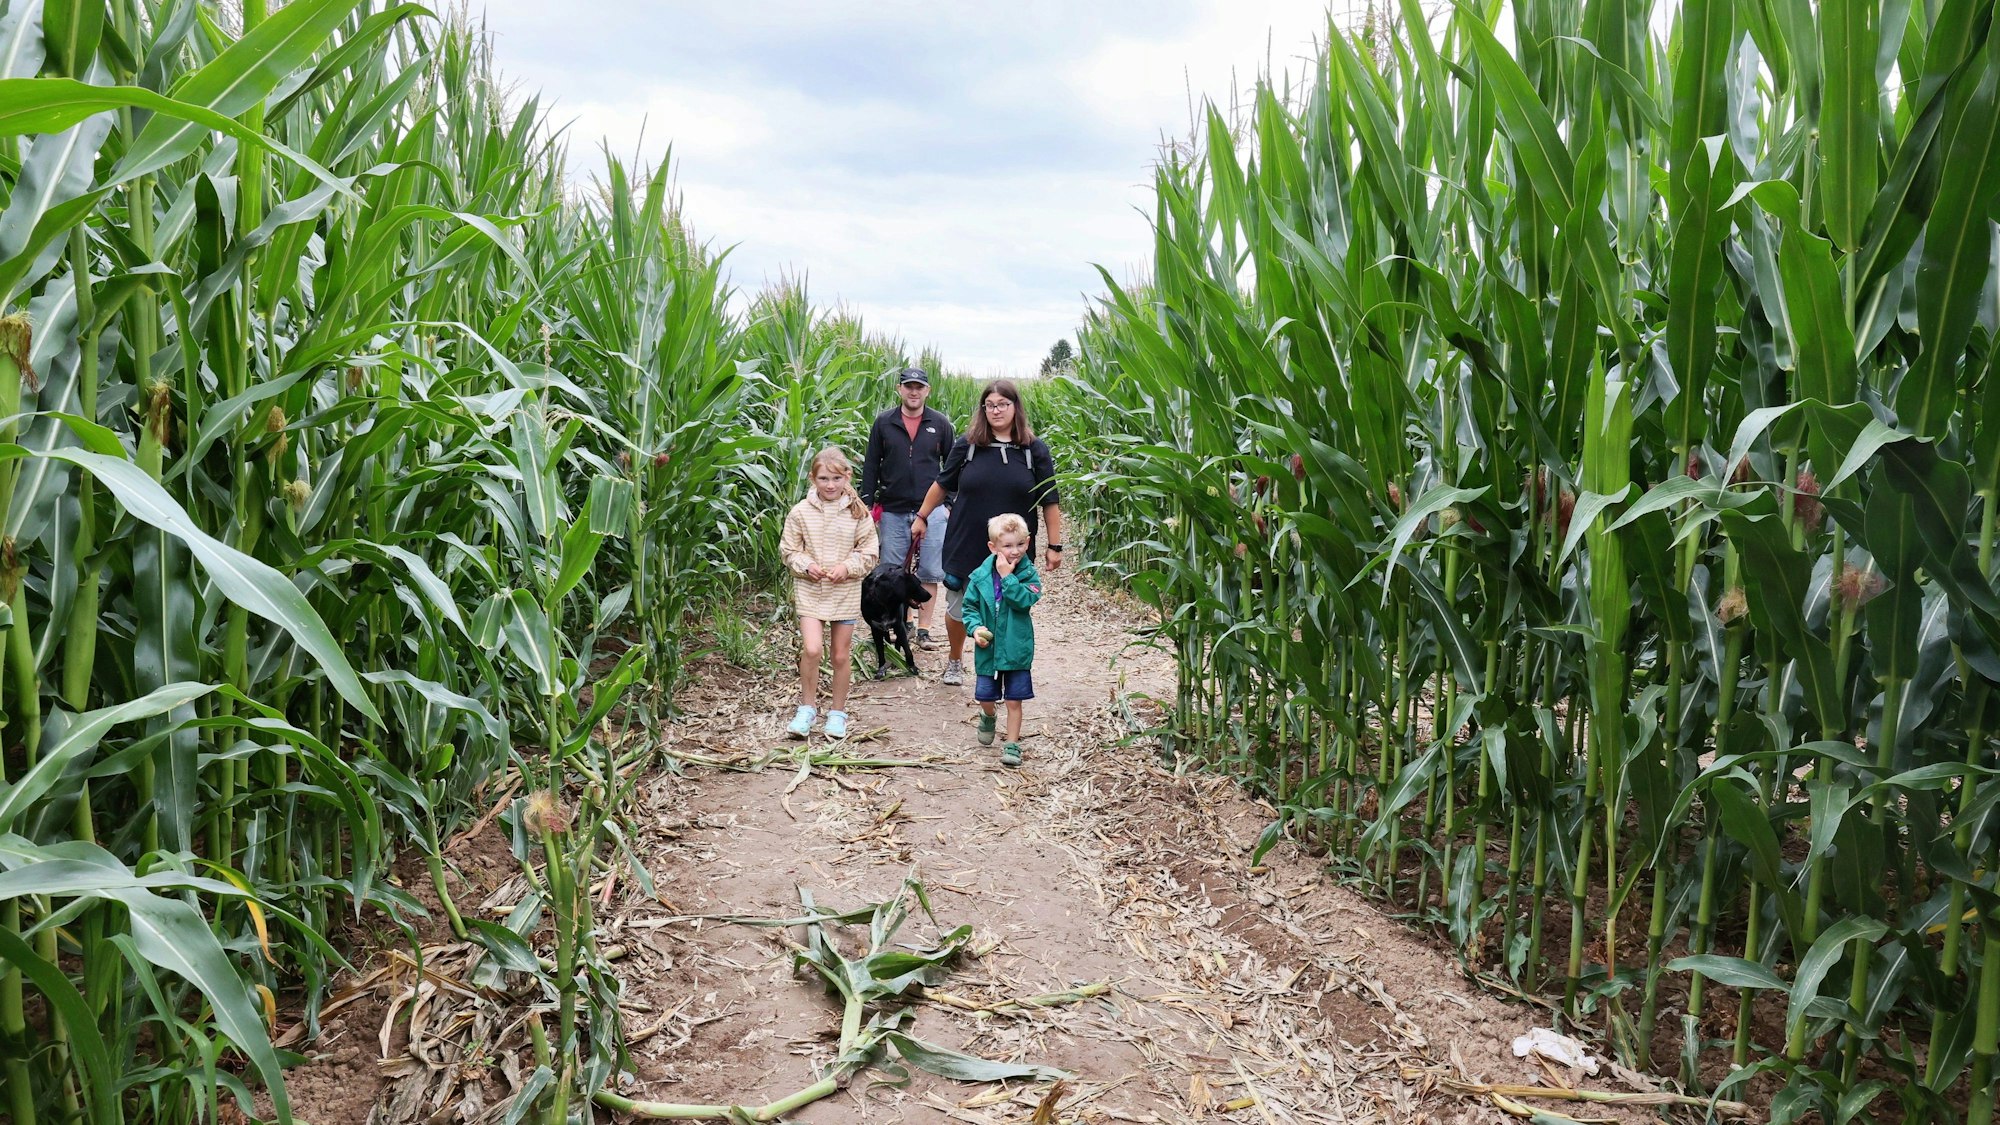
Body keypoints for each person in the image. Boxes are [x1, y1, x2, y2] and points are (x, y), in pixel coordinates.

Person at [910, 378, 1063, 687]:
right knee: (958, 606)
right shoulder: (968, 445)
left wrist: (1055, 545)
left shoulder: (1034, 450)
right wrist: (922, 516)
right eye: (990, 405)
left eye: (1003, 404)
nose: (996, 410)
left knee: (1008, 606)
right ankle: (955, 659)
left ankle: (1005, 666)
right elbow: (942, 484)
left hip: (1012, 549)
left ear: (1015, 407)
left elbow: (1050, 499)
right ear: (983, 409)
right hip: (966, 542)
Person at [780, 447, 880, 740]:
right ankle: (807, 707)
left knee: (839, 654)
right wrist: (805, 564)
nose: (830, 485)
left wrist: (847, 567)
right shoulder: (800, 512)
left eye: (836, 478)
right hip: (810, 589)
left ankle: (837, 713)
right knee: (812, 649)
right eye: (823, 478)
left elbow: (869, 551)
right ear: (813, 479)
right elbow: (789, 550)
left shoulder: (857, 512)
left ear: (847, 477)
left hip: (844, 591)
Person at [860, 366, 954, 649]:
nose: (914, 392)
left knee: (929, 571)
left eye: (919, 387)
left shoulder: (940, 423)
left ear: (928, 390)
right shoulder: (884, 423)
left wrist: (949, 504)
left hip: (933, 509)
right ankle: (905, 623)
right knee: (893, 571)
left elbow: (952, 467)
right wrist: (867, 504)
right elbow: (871, 464)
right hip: (893, 508)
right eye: (908, 386)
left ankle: (924, 630)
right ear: (899, 389)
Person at [959, 513, 1043, 767]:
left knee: (1014, 700)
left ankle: (1012, 744)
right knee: (986, 696)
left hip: (1016, 648)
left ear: (1027, 543)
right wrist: (975, 629)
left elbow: (1025, 600)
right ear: (993, 547)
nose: (1014, 551)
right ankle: (988, 715)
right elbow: (969, 608)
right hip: (989, 648)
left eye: (1019, 544)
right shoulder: (979, 577)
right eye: (1007, 546)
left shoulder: (1028, 575)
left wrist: (1008, 577)